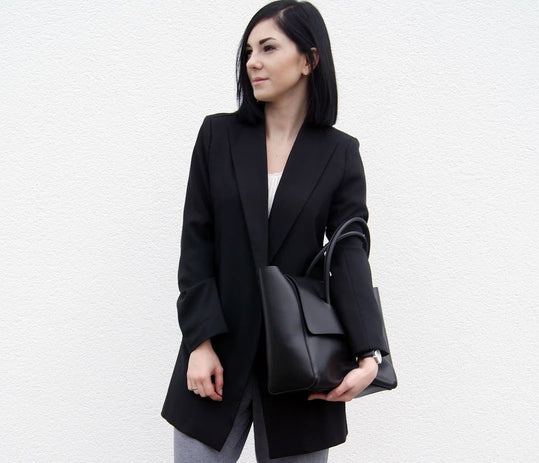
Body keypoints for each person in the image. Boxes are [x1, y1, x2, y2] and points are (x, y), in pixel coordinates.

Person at [161, 1, 385, 461]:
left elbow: (348, 254)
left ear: (309, 60)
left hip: (304, 367)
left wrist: (371, 354)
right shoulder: (217, 136)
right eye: (248, 52)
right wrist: (199, 343)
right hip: (215, 360)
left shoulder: (339, 153)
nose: (252, 63)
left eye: (268, 48)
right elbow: (196, 243)